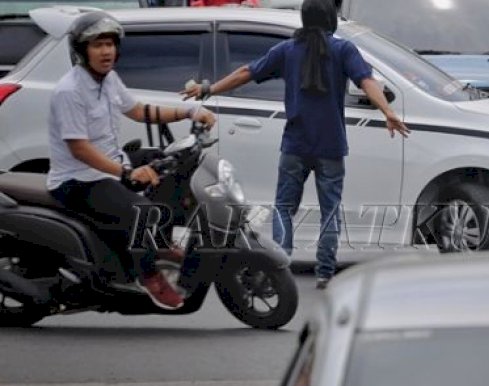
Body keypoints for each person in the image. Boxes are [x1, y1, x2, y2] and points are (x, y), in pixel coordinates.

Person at [181, 0, 408, 289]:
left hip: (295, 146)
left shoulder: (287, 50)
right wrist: (387, 111)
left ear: (303, 18)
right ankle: (325, 272)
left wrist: (208, 89)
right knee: (330, 210)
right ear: (332, 18)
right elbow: (366, 81)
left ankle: (279, 268)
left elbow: (245, 73)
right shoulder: (343, 50)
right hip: (331, 147)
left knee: (284, 209)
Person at [47, 11, 216, 309]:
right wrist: (127, 172)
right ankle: (147, 275)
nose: (106, 51)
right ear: (82, 51)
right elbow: (80, 149)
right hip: (78, 179)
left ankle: (159, 243)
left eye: (110, 44)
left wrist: (189, 112)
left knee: (173, 165)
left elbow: (139, 111)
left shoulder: (108, 79)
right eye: (97, 45)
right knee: (144, 213)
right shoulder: (70, 91)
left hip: (109, 164)